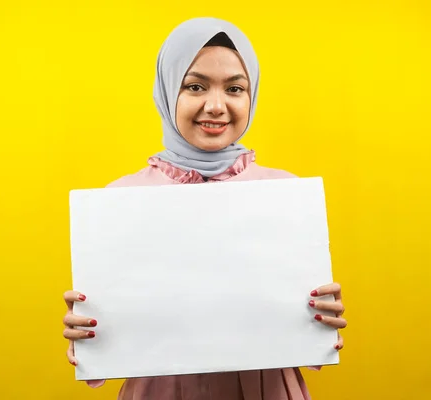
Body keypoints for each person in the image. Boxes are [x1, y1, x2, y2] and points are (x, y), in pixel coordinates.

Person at [62, 17, 347, 400]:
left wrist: (319, 318)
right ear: (167, 91)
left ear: (253, 95)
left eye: (234, 88)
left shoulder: (286, 195)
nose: (216, 106)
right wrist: (89, 332)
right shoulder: (120, 201)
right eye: (195, 86)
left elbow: (300, 330)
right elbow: (112, 342)